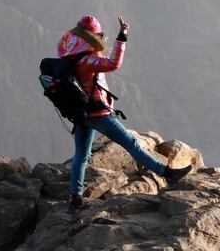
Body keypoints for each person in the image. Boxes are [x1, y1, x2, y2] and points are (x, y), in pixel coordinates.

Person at [57, 14, 192, 208]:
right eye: (99, 35)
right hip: (98, 114)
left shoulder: (70, 55)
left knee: (81, 156)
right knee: (132, 145)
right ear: (91, 36)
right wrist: (122, 37)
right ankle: (166, 173)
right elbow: (113, 64)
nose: (101, 38)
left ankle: (75, 198)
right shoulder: (87, 60)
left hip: (81, 114)